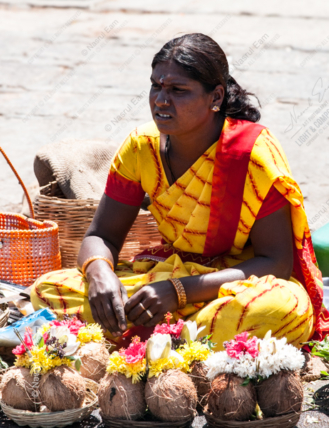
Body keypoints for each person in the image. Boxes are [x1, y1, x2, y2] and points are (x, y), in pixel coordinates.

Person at [31, 33, 329, 350]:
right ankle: (183, 342)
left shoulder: (252, 153)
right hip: (167, 275)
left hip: (237, 286)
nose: (160, 100)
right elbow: (101, 235)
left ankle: (149, 340)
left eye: (177, 90)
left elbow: (276, 262)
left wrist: (178, 292)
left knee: (282, 310)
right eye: (156, 85)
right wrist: (100, 273)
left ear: (215, 97)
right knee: (47, 290)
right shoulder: (140, 148)